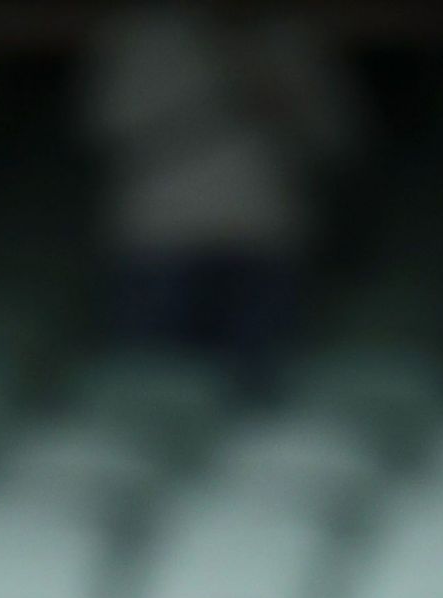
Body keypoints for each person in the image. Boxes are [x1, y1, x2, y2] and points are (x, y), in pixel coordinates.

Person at [77, 2, 359, 389]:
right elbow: (105, 133)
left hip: (263, 239)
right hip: (159, 240)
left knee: (257, 393)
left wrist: (278, 101)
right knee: (153, 387)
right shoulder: (144, 37)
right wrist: (223, 98)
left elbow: (338, 141)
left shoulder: (292, 39)